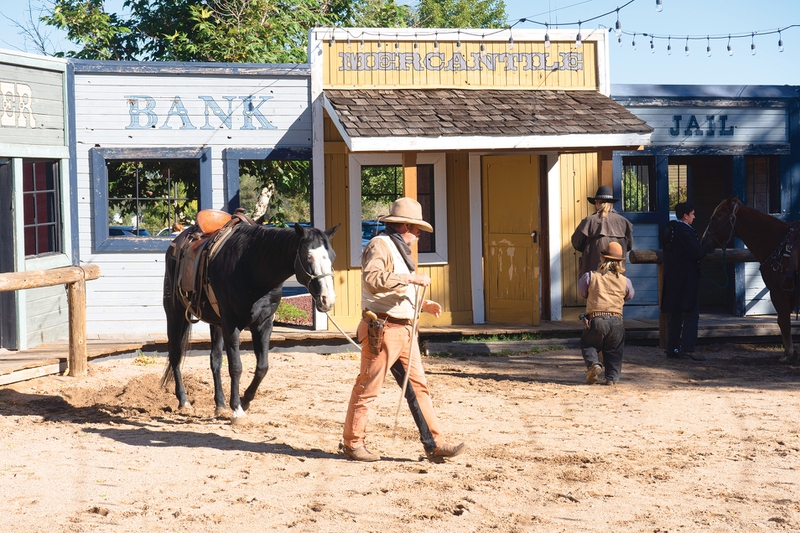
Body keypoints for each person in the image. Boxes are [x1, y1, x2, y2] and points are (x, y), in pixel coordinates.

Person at [341, 197, 466, 462]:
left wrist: (422, 304)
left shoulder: (397, 248)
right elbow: (373, 280)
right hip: (383, 329)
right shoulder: (380, 245)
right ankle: (352, 444)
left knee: (419, 388)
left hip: (403, 330)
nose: (419, 236)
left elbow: (395, 290)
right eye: (418, 230)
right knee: (367, 387)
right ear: (406, 226)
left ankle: (435, 444)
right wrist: (411, 278)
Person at [579, 241, 635, 386]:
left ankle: (594, 364)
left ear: (602, 258)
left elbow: (582, 292)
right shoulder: (625, 281)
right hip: (617, 321)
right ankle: (611, 378)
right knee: (614, 350)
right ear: (620, 262)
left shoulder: (590, 276)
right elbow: (629, 296)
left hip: (596, 320)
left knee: (588, 344)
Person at [660, 202, 710, 361]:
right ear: (685, 216)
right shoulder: (686, 231)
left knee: (675, 313)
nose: (694, 217)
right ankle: (688, 348)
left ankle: (673, 348)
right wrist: (707, 247)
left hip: (672, 277)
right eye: (692, 214)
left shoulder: (670, 228)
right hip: (687, 278)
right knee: (691, 313)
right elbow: (698, 252)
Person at [571, 185, 634, 279]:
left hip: (593, 277)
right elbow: (629, 246)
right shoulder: (623, 222)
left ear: (596, 202)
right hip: (617, 277)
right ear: (611, 204)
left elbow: (576, 243)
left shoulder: (589, 221)